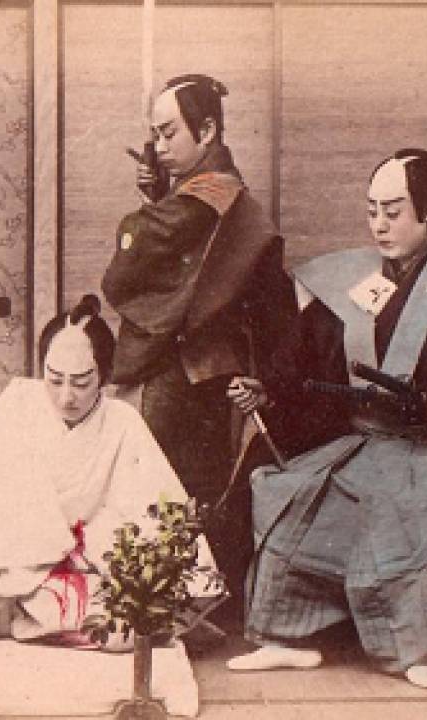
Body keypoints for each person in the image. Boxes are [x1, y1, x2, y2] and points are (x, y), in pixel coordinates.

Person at [223, 149, 427, 687]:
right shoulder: (360, 280)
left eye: (393, 212)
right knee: (292, 498)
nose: (379, 225)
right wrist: (268, 390)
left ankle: (414, 651)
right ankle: (285, 637)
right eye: (372, 210)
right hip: (361, 440)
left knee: (417, 517)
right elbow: (306, 356)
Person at [0, 295, 217, 653]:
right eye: (54, 380)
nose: (66, 397)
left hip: (77, 577)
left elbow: (149, 513)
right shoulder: (16, 407)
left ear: (105, 375)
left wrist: (85, 544)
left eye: (81, 383)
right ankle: (2, 614)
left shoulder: (122, 424)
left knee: (123, 631)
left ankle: (11, 617)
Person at [101, 74, 295, 628]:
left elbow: (132, 259)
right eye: (155, 136)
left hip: (197, 369)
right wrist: (160, 197)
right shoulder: (200, 194)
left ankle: (179, 611)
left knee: (171, 487)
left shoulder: (211, 194)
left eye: (169, 134)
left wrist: (145, 215)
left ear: (206, 130)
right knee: (184, 489)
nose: (159, 147)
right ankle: (181, 608)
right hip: (200, 365)